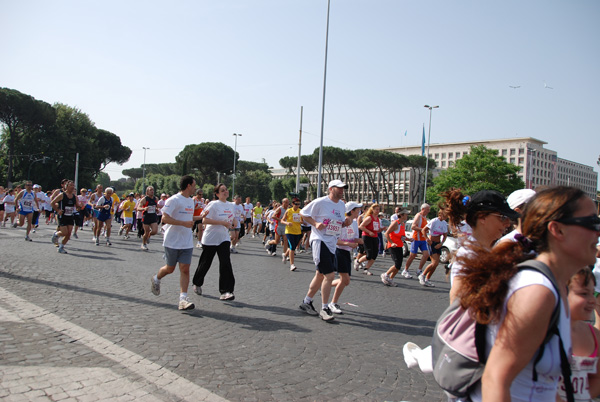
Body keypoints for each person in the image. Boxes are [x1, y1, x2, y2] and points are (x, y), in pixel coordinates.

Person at [456, 186, 599, 401]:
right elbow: (495, 380)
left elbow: (542, 384)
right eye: (591, 223)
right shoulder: (537, 291)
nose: (598, 232)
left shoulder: (554, 284)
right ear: (557, 230)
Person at [445, 189, 517, 303]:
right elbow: (457, 303)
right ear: (482, 217)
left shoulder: (488, 250)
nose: (508, 224)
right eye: (502, 217)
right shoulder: (469, 256)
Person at [298, 179, 351, 321]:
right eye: (338, 188)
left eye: (343, 188)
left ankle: (306, 302)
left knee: (320, 275)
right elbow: (303, 213)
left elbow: (338, 224)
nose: (341, 190)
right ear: (330, 189)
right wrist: (315, 223)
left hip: (331, 243)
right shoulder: (320, 202)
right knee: (329, 275)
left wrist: (345, 223)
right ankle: (325, 308)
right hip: (320, 241)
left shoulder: (341, 205)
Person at [150, 176, 199, 311]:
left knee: (185, 269)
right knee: (170, 269)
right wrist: (183, 223)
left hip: (187, 241)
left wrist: (202, 216)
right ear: (188, 186)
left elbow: (188, 218)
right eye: (194, 185)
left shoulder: (191, 201)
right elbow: (165, 218)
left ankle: (183, 299)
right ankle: (156, 278)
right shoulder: (174, 200)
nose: (195, 188)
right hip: (172, 240)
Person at [557, 267, 600, 401]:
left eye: (593, 293)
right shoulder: (545, 332)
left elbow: (597, 377)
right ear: (562, 292)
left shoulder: (594, 335)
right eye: (584, 294)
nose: (593, 300)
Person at [192, 183, 237, 301]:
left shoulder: (231, 205)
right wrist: (222, 223)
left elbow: (233, 218)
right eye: (222, 190)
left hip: (223, 238)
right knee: (205, 263)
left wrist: (235, 222)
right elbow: (205, 219)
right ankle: (197, 282)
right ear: (217, 194)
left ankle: (226, 291)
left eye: (226, 189)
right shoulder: (213, 204)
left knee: (226, 263)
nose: (225, 191)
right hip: (211, 238)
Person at [329, 201, 362, 314]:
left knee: (346, 281)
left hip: (347, 252)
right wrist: (348, 244)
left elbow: (355, 238)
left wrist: (362, 242)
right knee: (345, 280)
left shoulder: (355, 223)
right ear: (352, 211)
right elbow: (335, 240)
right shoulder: (341, 222)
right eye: (357, 210)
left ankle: (325, 286)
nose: (359, 212)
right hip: (339, 251)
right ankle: (333, 303)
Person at [418, 209, 449, 287]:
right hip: (431, 242)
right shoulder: (434, 221)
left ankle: (427, 279)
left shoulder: (445, 223)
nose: (446, 217)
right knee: (434, 262)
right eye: (445, 215)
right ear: (441, 214)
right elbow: (424, 230)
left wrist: (441, 243)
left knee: (436, 264)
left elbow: (445, 235)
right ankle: (422, 275)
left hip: (438, 243)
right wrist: (427, 239)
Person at [381, 209, 410, 286]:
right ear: (401, 215)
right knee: (397, 264)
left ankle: (390, 279)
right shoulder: (395, 223)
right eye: (406, 214)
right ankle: (386, 275)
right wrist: (391, 242)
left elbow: (402, 236)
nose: (407, 216)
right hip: (392, 246)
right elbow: (386, 233)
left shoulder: (403, 224)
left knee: (399, 265)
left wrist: (409, 239)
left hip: (399, 245)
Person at [402, 203, 431, 278]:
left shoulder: (425, 217)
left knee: (426, 254)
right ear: (423, 209)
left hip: (423, 239)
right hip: (416, 238)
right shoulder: (418, 216)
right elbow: (413, 226)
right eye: (427, 209)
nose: (429, 211)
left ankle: (419, 270)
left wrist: (426, 231)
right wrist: (423, 230)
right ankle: (405, 270)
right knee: (412, 255)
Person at [50, 180, 77, 254]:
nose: (72, 187)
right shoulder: (62, 195)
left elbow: (77, 206)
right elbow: (52, 203)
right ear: (67, 187)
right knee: (64, 232)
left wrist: (80, 207)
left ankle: (61, 247)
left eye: (73, 185)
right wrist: (58, 210)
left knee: (68, 234)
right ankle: (56, 234)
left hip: (70, 216)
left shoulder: (74, 196)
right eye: (71, 185)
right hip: (63, 216)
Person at [356, 203, 383, 275]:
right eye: (376, 209)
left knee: (375, 254)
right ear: (372, 210)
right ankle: (358, 261)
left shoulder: (377, 218)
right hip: (367, 236)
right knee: (369, 254)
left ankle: (366, 269)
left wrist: (381, 229)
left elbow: (376, 228)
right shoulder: (369, 218)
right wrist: (369, 232)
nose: (377, 211)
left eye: (378, 209)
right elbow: (361, 226)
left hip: (374, 236)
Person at [281, 197, 303, 271]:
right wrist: (287, 222)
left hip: (297, 231)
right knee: (292, 247)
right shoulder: (288, 211)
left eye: (299, 204)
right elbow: (282, 220)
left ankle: (285, 254)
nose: (297, 205)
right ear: (293, 204)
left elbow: (302, 221)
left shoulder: (301, 211)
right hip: (289, 231)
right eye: (296, 204)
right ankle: (292, 265)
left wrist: (301, 221)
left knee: (292, 246)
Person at [138, 186, 159, 251]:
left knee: (155, 231)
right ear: (147, 192)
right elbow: (138, 208)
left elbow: (156, 206)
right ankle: (144, 244)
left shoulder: (156, 198)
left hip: (153, 216)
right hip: (146, 216)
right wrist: (144, 208)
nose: (152, 191)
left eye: (153, 190)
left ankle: (148, 236)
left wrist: (156, 209)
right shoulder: (144, 199)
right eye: (150, 190)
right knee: (146, 232)